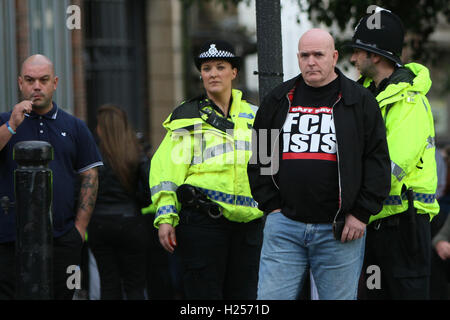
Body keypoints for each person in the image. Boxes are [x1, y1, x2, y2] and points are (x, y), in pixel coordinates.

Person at [247, 28, 391, 300]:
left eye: (318, 55)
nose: (310, 61)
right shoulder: (277, 100)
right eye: (304, 55)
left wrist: (361, 213)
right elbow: (261, 158)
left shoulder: (359, 102)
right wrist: (272, 208)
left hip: (340, 231)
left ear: (334, 56)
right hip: (284, 226)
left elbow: (377, 161)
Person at [149, 40, 264, 299]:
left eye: (220, 67)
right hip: (203, 225)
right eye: (206, 68)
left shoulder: (258, 116)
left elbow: (272, 171)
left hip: (249, 228)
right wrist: (166, 217)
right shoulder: (187, 117)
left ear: (234, 72)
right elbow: (167, 172)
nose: (213, 74)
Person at [348, 8, 440, 299]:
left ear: (375, 55)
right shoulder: (362, 97)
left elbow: (390, 168)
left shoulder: (409, 102)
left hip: (403, 227)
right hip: (372, 225)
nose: (352, 59)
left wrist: (355, 202)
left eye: (358, 52)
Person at [0, 54, 102, 300]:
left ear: (55, 83)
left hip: (62, 237)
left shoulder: (75, 126)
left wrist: (79, 228)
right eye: (30, 80)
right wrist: (13, 125)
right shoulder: (5, 121)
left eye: (43, 80)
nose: (37, 86)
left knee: (63, 295)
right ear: (20, 83)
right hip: (9, 238)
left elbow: (90, 175)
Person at [87, 104, 149, 300]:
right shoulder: (136, 155)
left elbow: (83, 190)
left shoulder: (93, 156)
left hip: (100, 224)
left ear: (101, 128)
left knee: (109, 284)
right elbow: (148, 193)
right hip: (131, 222)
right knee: (135, 285)